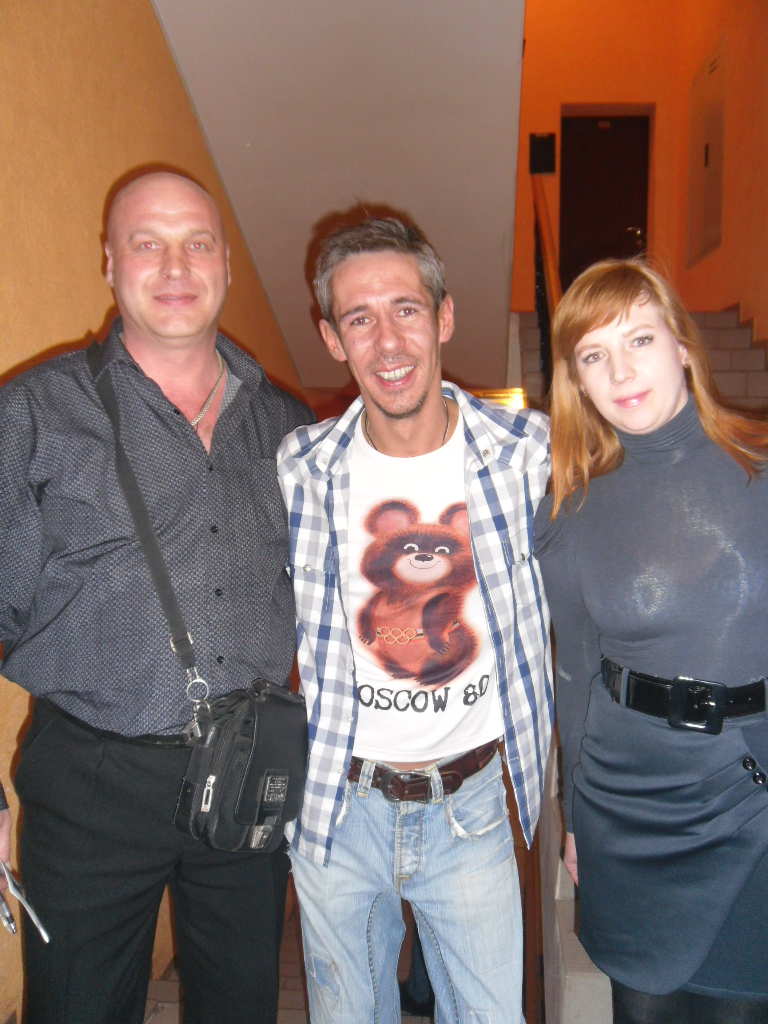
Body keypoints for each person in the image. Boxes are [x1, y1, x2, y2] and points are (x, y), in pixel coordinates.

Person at [0, 171, 313, 1024]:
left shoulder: (289, 426)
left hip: (251, 772)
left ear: (226, 266)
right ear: (110, 263)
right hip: (92, 780)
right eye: (148, 243)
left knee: (242, 1006)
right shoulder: (32, 414)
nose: (176, 266)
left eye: (197, 243)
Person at [277, 217, 553, 1023]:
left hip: (470, 810)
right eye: (359, 318)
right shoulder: (303, 469)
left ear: (445, 317)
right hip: (340, 806)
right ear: (332, 339)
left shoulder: (527, 453)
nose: (388, 341)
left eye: (406, 309)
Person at [533, 259, 768, 1024]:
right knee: (642, 1010)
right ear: (576, 381)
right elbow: (575, 672)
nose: (621, 371)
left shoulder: (760, 469)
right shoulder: (570, 507)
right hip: (627, 801)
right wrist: (574, 814)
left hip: (751, 788)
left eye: (639, 339)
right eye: (593, 355)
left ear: (683, 346)